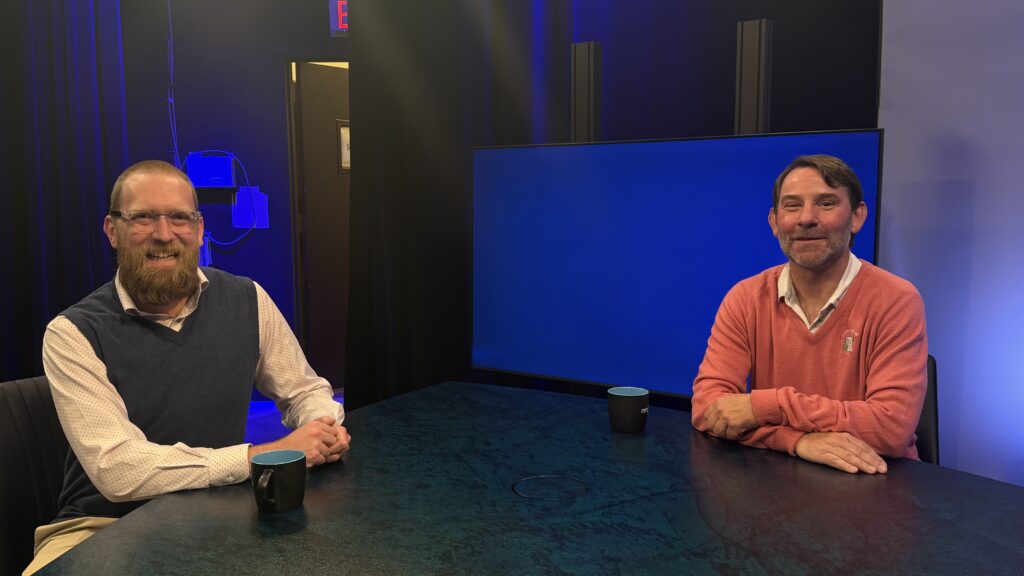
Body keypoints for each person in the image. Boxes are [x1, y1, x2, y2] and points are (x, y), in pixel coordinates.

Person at [24, 160, 351, 575]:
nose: (164, 234)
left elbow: (304, 390)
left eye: (179, 217)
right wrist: (260, 456)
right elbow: (118, 470)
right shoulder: (72, 332)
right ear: (112, 230)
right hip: (99, 526)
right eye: (143, 217)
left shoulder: (247, 300)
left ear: (198, 229)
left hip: (218, 512)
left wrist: (322, 427)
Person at [690, 154, 927, 475]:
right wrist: (796, 441)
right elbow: (708, 409)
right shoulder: (745, 298)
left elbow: (890, 428)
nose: (806, 218)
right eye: (792, 205)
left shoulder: (896, 300)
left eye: (826, 204)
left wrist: (766, 406)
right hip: (776, 478)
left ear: (857, 217)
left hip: (875, 481)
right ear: (775, 222)